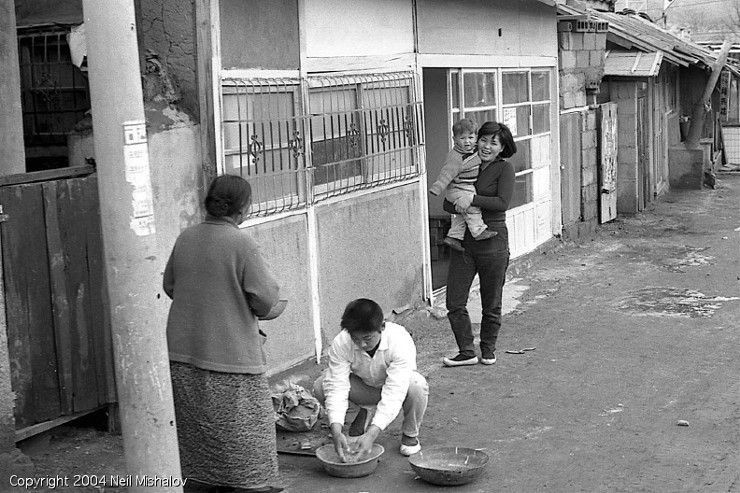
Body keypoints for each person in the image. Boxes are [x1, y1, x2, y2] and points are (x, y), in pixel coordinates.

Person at [163, 174, 285, 493]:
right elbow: (268, 301)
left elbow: (170, 286)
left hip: (181, 359)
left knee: (196, 443)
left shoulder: (186, 237)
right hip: (231, 364)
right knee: (249, 449)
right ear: (243, 209)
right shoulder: (241, 243)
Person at [313, 299, 429, 461]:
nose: (361, 344)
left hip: (397, 389)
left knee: (417, 384)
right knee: (321, 385)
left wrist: (372, 433)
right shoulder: (341, 342)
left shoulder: (399, 340)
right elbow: (337, 386)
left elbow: (395, 391)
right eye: (356, 338)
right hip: (364, 388)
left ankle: (410, 434)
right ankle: (360, 414)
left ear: (382, 327)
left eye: (367, 338)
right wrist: (336, 429)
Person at [440, 121, 517, 368]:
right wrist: (460, 201)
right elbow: (447, 203)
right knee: (454, 301)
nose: (485, 146)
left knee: (491, 301)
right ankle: (466, 351)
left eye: (493, 143)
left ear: (502, 147)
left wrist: (471, 198)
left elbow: (502, 203)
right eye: (483, 140)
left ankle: (487, 349)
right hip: (464, 243)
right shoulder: (464, 162)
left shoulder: (504, 169)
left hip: (493, 242)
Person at [429, 118, 497, 253]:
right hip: (457, 189)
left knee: (462, 213)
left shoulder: (472, 150)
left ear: (476, 138)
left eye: (471, 137)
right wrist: (437, 187)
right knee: (472, 207)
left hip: (466, 187)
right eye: (462, 138)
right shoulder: (455, 157)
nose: (467, 141)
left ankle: (453, 237)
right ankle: (478, 231)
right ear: (455, 139)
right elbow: (446, 174)